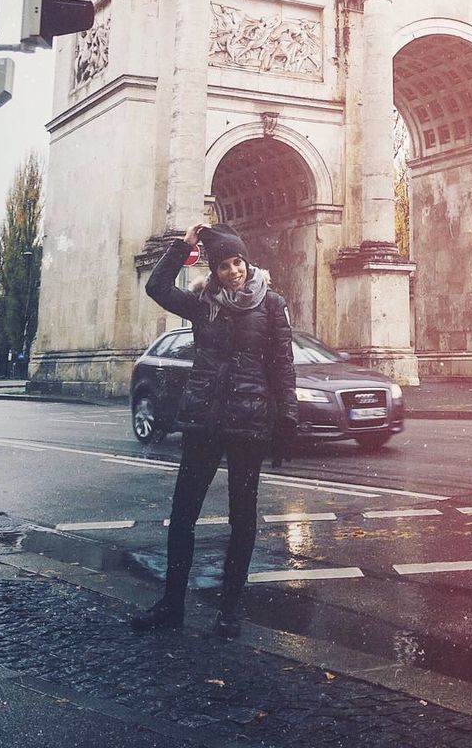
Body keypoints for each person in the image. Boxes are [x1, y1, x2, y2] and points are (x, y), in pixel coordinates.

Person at [131, 221, 298, 639]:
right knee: (183, 514)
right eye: (223, 265)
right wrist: (182, 247)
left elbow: (283, 365)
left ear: (247, 262)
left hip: (249, 422)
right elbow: (157, 288)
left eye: (237, 262)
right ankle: (172, 605)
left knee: (243, 518)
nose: (233, 271)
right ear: (216, 270)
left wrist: (287, 420)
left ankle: (229, 610)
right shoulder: (203, 304)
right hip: (204, 419)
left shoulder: (272, 305)